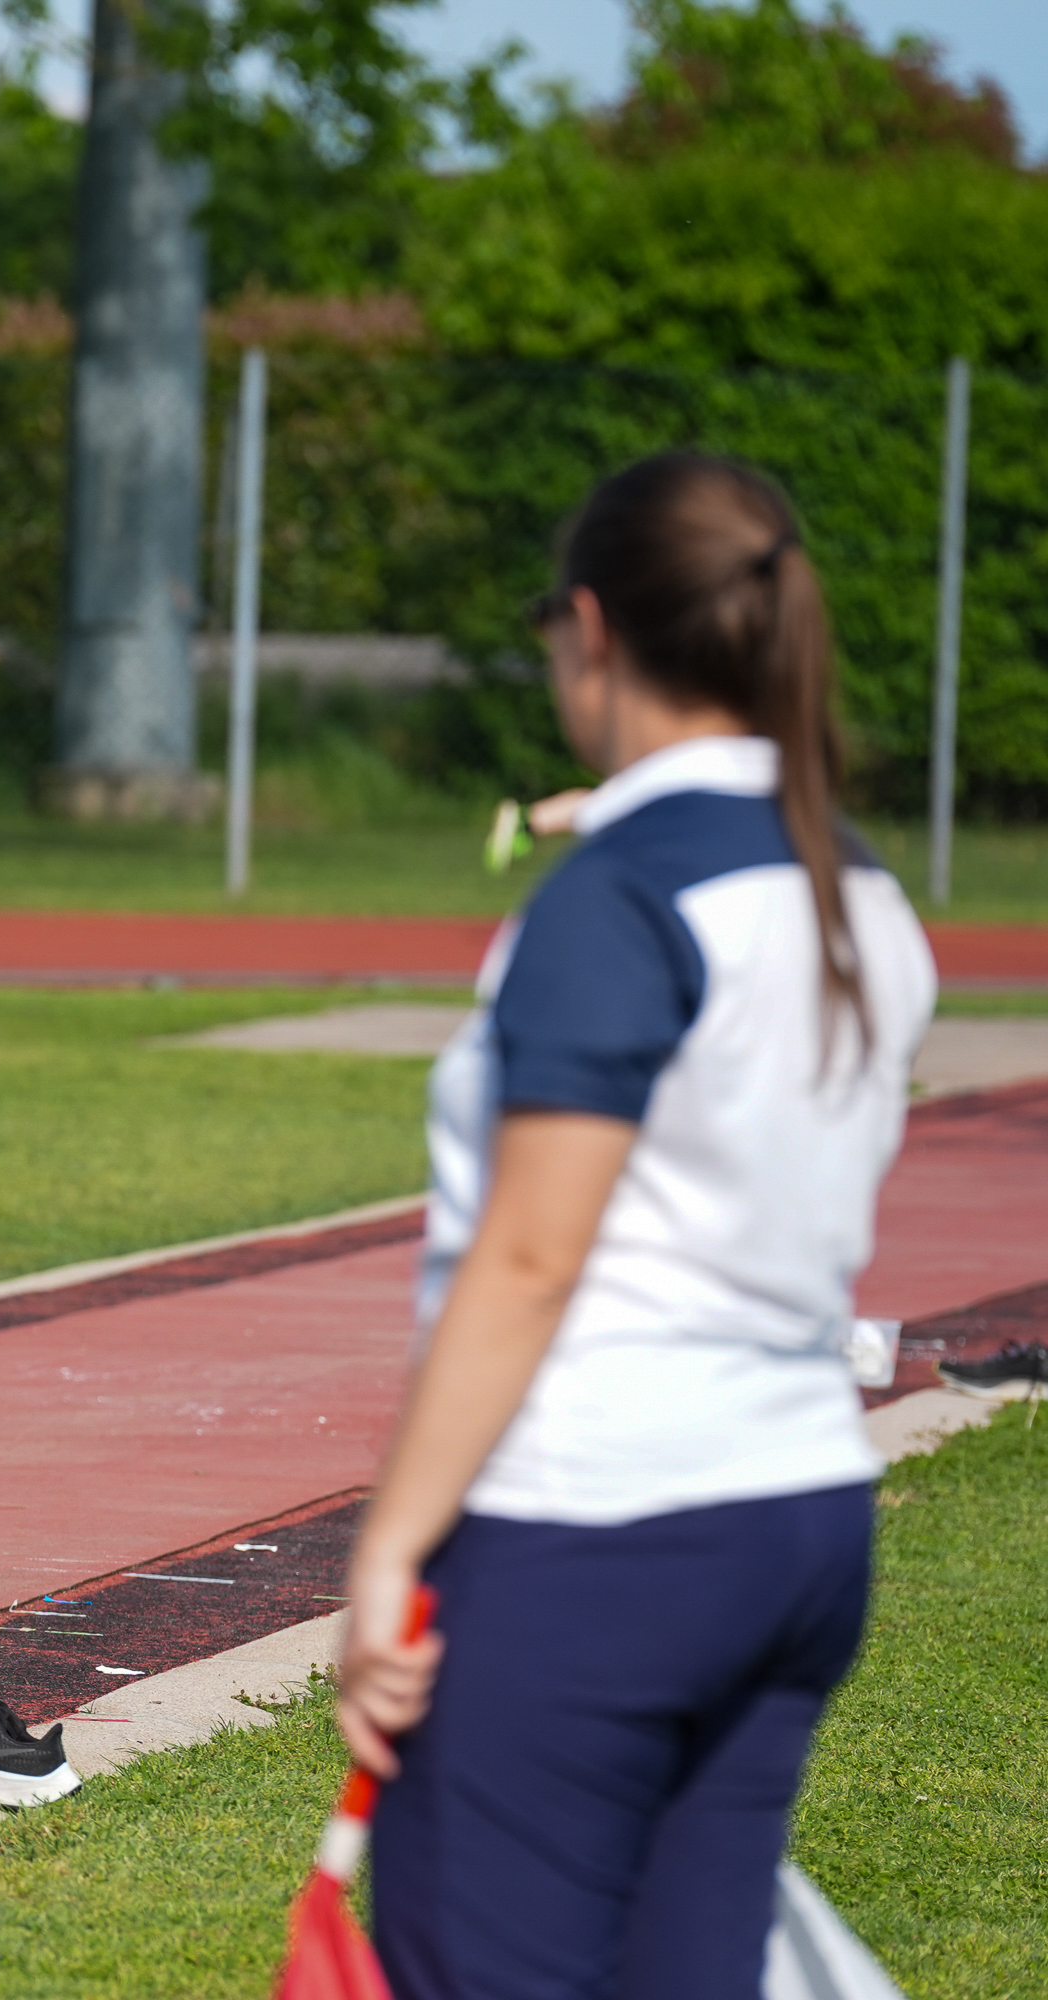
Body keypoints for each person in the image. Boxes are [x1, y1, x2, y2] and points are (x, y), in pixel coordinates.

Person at [337, 452, 938, 1999]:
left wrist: (392, 1546)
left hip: (596, 1528)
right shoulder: (859, 885)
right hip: (799, 1514)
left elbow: (534, 1259)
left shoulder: (613, 900)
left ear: (590, 628)